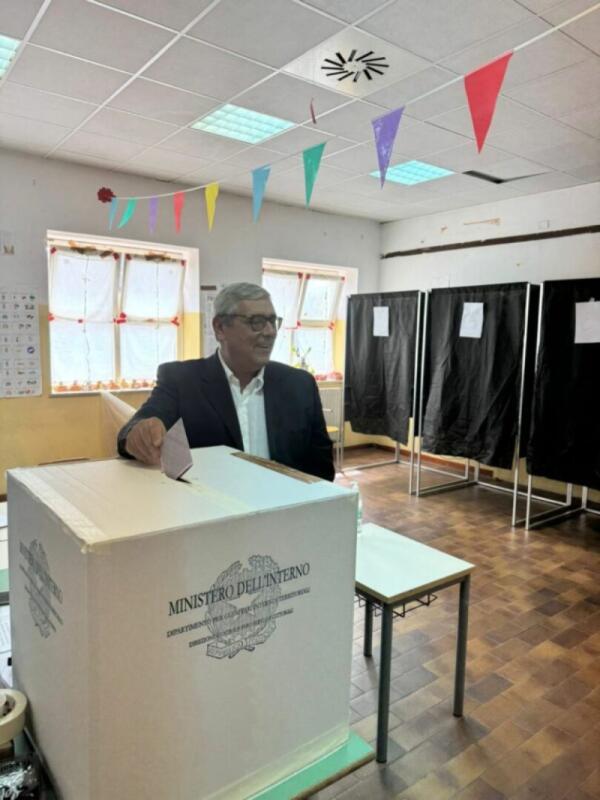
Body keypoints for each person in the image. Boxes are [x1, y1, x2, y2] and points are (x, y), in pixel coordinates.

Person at [117, 282, 334, 481]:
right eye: (257, 322)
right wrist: (139, 433)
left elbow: (322, 471)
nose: (270, 332)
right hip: (212, 506)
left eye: (272, 321)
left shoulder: (299, 385)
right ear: (220, 328)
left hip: (288, 506)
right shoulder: (182, 381)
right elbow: (137, 425)